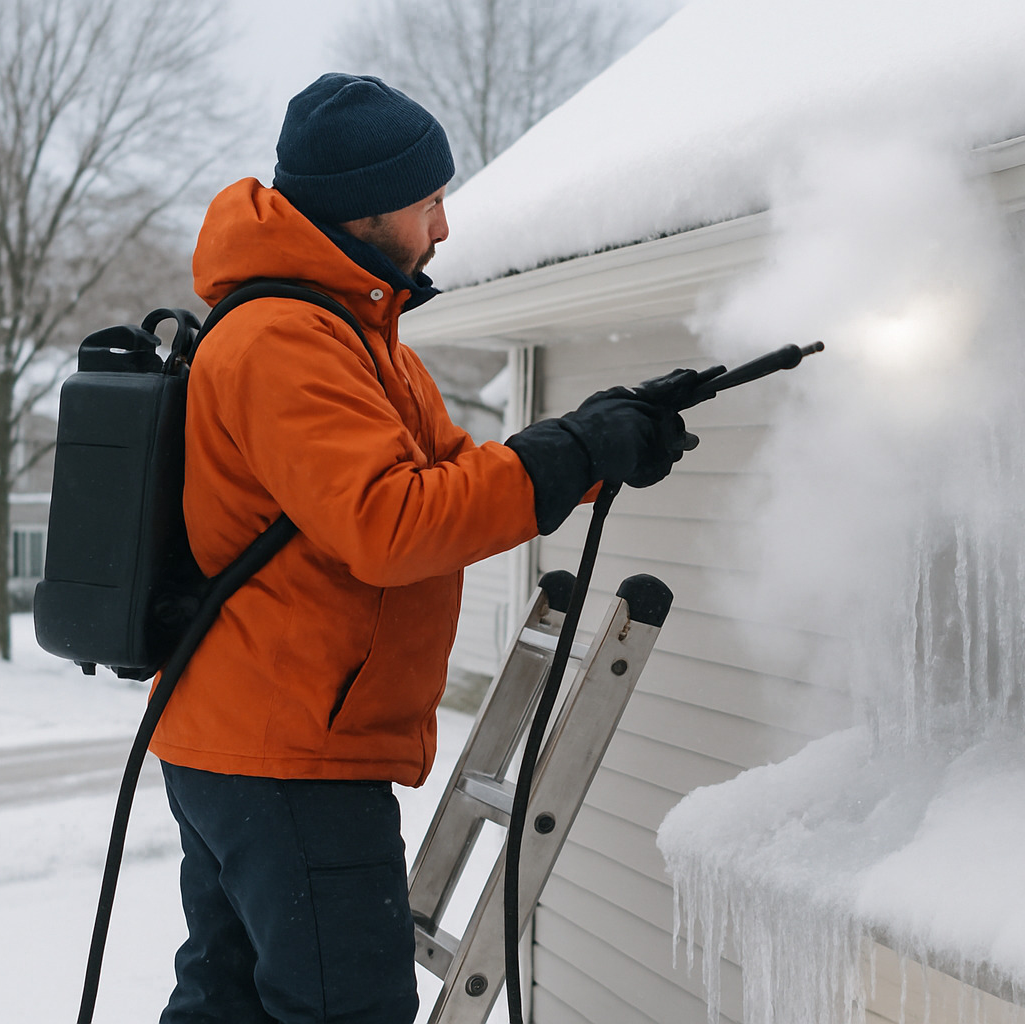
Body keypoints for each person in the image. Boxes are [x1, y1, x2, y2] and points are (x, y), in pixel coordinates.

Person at [147, 73, 696, 1024]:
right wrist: (569, 456)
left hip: (257, 741)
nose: (443, 228)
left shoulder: (361, 341)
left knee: (227, 1008)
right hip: (288, 753)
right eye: (428, 203)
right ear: (364, 211)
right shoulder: (285, 340)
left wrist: (598, 443)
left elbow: (457, 479)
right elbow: (394, 526)